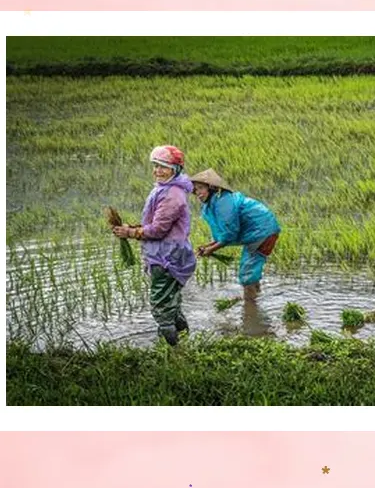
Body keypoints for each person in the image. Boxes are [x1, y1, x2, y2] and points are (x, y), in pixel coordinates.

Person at [113, 145, 196, 346]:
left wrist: (130, 232)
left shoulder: (172, 195)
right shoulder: (166, 188)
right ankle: (185, 344)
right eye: (155, 166)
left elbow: (158, 229)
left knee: (161, 307)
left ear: (175, 169)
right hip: (171, 255)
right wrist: (132, 228)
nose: (157, 170)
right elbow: (155, 225)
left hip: (167, 258)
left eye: (163, 167)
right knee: (172, 304)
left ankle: (171, 350)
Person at [189, 169, 281, 301]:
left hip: (262, 231)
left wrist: (212, 249)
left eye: (201, 188)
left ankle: (250, 308)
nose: (198, 193)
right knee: (251, 267)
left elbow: (230, 232)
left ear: (213, 188)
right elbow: (224, 233)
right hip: (258, 232)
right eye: (195, 190)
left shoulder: (223, 202)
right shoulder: (214, 203)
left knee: (247, 271)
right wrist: (208, 246)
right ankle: (255, 297)